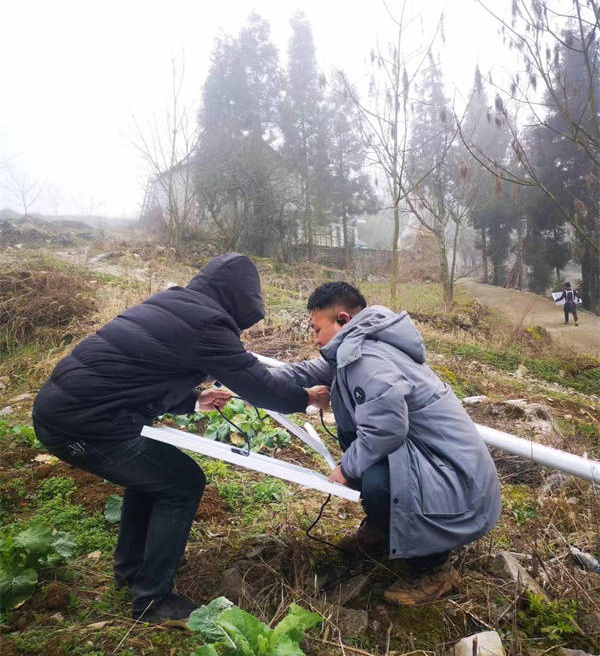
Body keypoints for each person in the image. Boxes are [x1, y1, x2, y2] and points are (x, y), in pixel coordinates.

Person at [32, 253, 329, 623]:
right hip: (83, 425)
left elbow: (140, 372)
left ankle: (132, 571)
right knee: (182, 481)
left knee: (151, 477)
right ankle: (153, 601)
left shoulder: (172, 304)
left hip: (66, 412)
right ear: (238, 298)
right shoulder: (208, 325)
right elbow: (261, 386)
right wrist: (305, 398)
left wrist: (193, 399)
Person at [272, 282, 502, 605]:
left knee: (376, 481)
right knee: (363, 453)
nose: (314, 339)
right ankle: (387, 529)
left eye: (317, 329)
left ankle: (435, 569)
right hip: (442, 467)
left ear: (342, 320)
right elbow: (307, 372)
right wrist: (247, 375)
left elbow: (387, 429)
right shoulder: (360, 346)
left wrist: (346, 469)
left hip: (458, 484)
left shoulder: (367, 358)